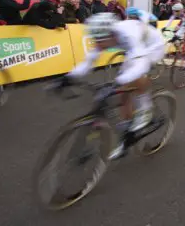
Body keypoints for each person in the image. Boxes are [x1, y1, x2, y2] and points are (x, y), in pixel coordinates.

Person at [59, 12, 166, 160]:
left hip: (153, 46)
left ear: (111, 35)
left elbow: (141, 65)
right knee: (123, 95)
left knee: (134, 77)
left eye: (101, 41)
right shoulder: (103, 37)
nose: (98, 44)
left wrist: (119, 82)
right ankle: (127, 135)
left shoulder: (129, 36)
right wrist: (68, 77)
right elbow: (87, 63)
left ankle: (145, 108)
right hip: (136, 49)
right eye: (96, 40)